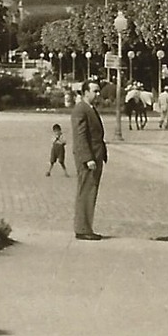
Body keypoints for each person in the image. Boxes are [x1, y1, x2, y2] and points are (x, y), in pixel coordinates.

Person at [70, 79, 108, 240]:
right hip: (89, 158)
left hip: (96, 155)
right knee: (86, 191)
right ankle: (83, 228)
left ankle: (86, 226)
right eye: (95, 91)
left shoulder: (90, 109)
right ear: (85, 92)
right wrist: (87, 158)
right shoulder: (81, 109)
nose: (98, 94)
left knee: (90, 191)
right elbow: (80, 136)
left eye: (99, 91)